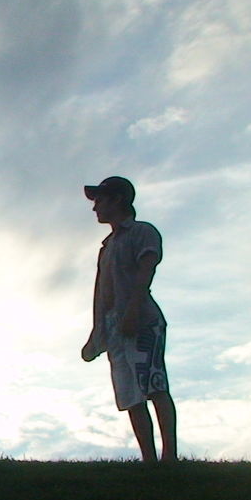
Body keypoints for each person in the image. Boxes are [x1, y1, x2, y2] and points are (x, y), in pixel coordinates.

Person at [80, 176, 177, 464]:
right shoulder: (106, 247)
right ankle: (149, 460)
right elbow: (103, 294)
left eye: (100, 200)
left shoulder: (142, 232)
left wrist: (133, 310)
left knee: (154, 385)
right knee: (130, 395)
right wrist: (97, 334)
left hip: (143, 320)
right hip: (114, 329)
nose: (95, 207)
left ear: (118, 199)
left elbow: (146, 271)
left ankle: (169, 456)